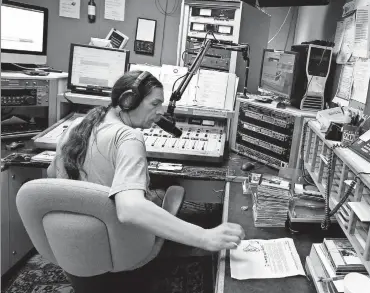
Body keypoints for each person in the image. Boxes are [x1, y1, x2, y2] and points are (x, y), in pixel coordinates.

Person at [47, 70, 245, 253]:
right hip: (117, 245)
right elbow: (130, 209)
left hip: (76, 243)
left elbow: (51, 174)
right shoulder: (129, 138)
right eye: (154, 104)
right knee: (181, 195)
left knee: (159, 188)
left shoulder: (76, 125)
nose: (161, 111)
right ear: (128, 101)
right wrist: (205, 236)